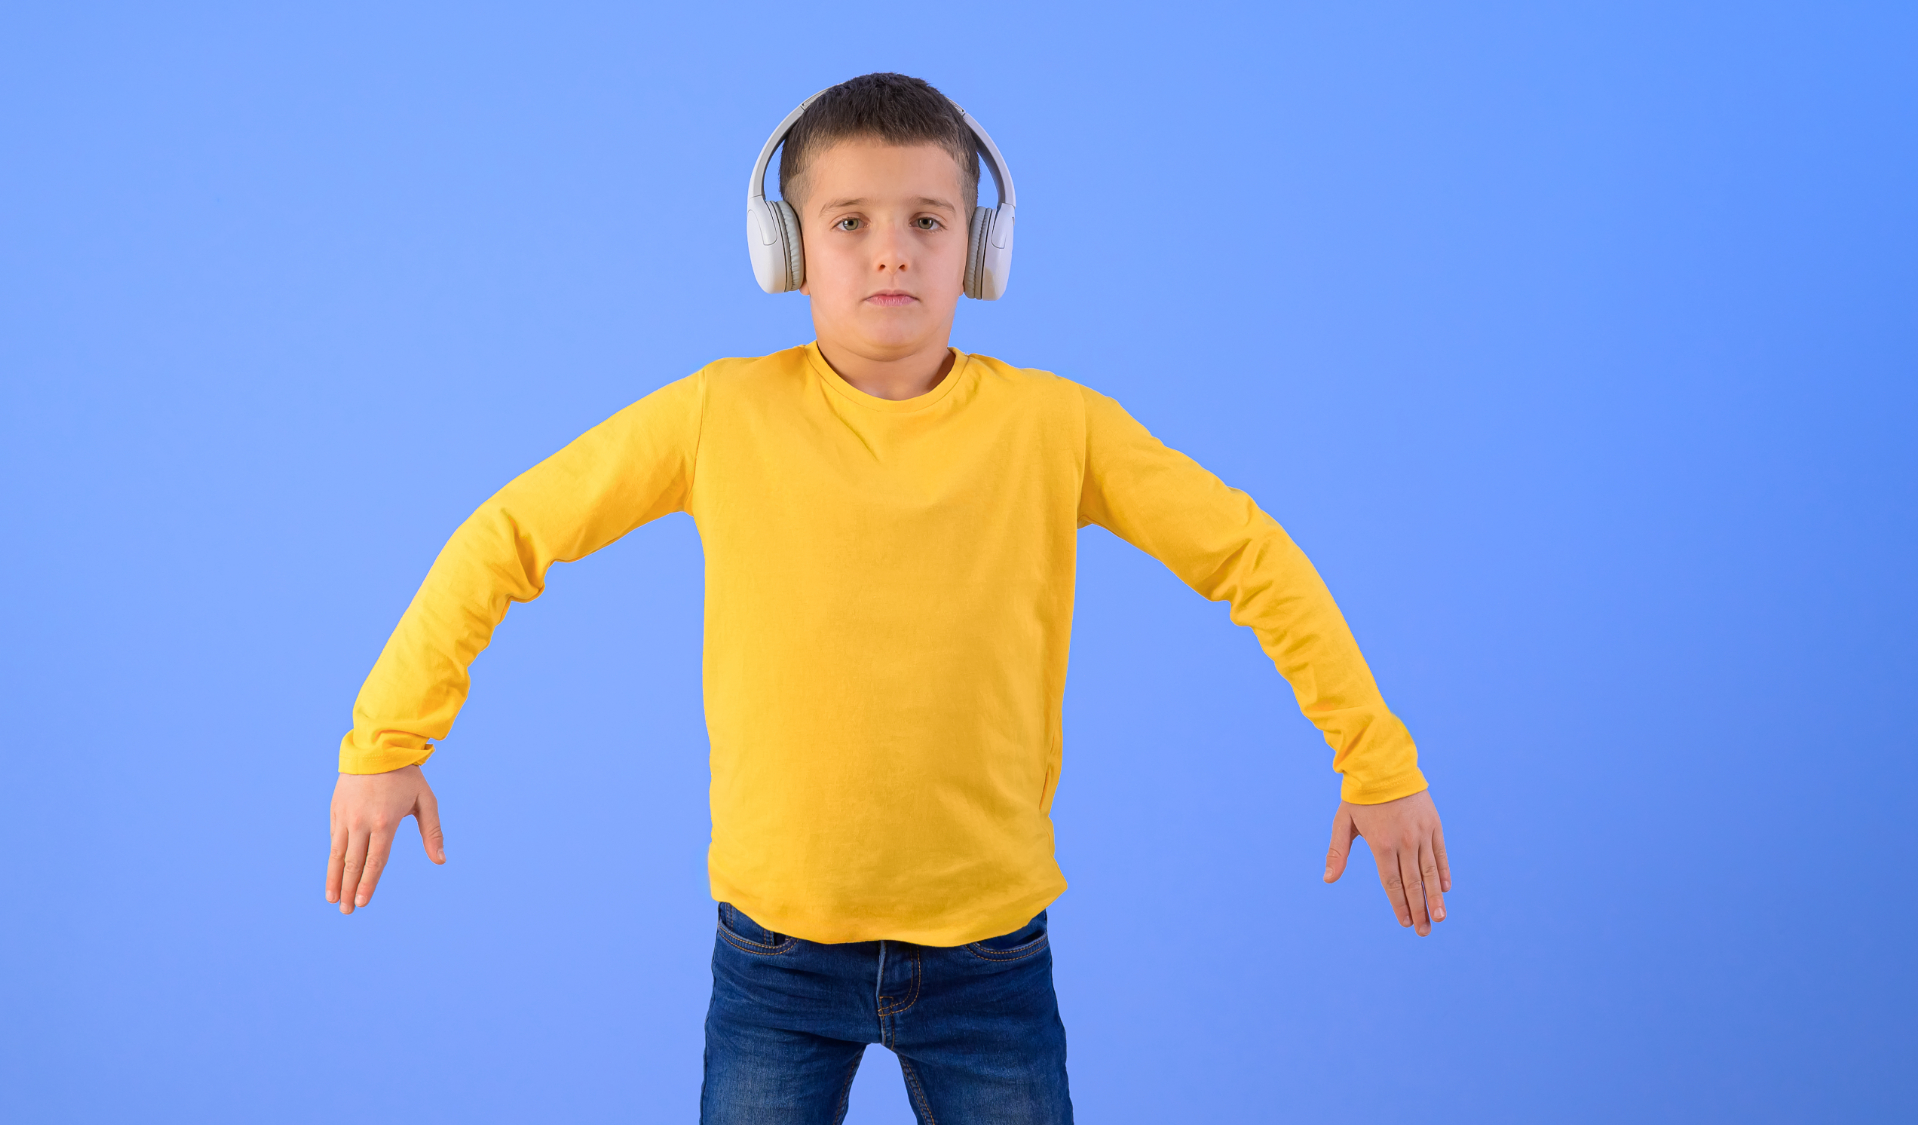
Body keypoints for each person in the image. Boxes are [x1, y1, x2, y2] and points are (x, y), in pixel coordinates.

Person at [324, 72, 1449, 1125]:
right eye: (850, 221)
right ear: (786, 247)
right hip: (773, 958)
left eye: (927, 220)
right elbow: (510, 534)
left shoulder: (1056, 428)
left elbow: (1248, 556)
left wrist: (1377, 762)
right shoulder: (717, 416)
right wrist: (387, 742)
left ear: (980, 248)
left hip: (990, 959)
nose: (891, 253)